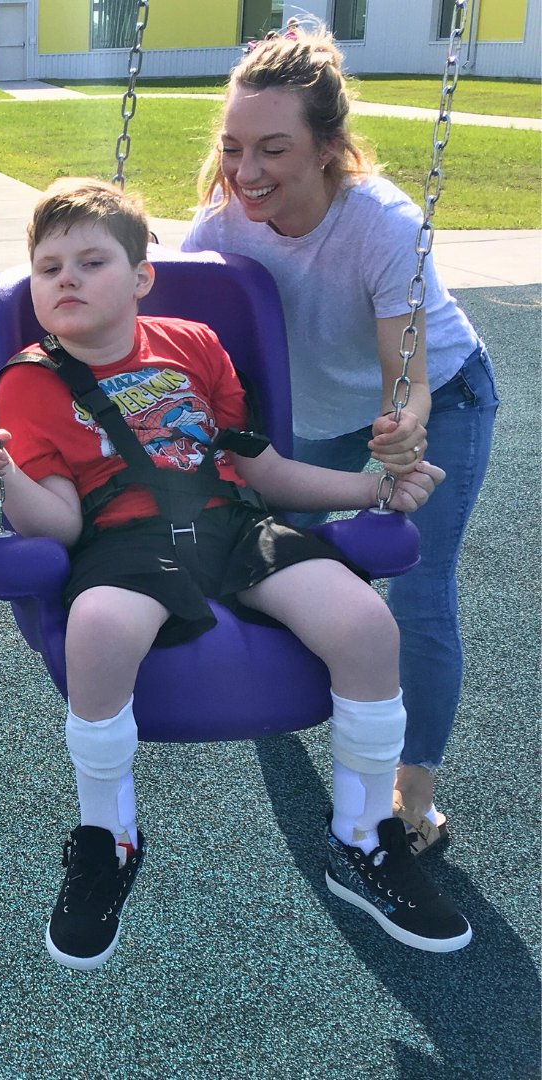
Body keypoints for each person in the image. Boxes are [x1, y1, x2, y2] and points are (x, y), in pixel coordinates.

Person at [0, 178, 471, 972]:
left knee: (369, 623)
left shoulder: (194, 344)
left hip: (234, 524)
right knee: (97, 628)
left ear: (141, 278)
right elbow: (57, 522)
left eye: (91, 261)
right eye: (49, 265)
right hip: (122, 543)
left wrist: (369, 489)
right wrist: (3, 478)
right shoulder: (28, 380)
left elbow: (262, 470)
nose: (65, 278)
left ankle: (365, 838)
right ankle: (108, 835)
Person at [183, 24, 498, 857]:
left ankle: (411, 789)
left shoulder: (381, 224)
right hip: (316, 412)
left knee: (418, 585)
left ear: (328, 148)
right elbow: (160, 336)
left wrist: (405, 432)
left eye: (273, 150)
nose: (246, 173)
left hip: (439, 394)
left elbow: (412, 377)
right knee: (282, 556)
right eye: (233, 147)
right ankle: (279, 692)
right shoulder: (217, 232)